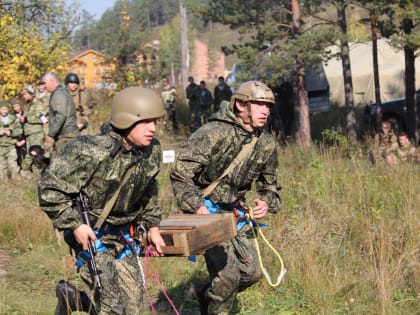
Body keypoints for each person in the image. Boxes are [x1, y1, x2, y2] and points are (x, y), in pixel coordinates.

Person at [38, 86, 167, 314]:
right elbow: (49, 189)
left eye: (155, 121)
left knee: (133, 309)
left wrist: (153, 226)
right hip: (91, 235)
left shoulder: (151, 151)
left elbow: (150, 191)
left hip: (124, 236)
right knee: (113, 307)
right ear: (126, 121)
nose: (152, 129)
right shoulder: (89, 150)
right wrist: (75, 225)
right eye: (145, 122)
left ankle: (76, 301)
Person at [170, 81, 281, 315]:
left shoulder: (266, 143)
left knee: (252, 273)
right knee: (228, 275)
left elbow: (271, 188)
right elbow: (180, 174)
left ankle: (207, 294)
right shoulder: (213, 133)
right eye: (259, 104)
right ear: (241, 105)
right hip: (206, 212)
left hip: (236, 213)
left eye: (268, 106)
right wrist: (198, 207)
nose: (265, 111)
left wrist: (266, 203)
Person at [42, 72, 79, 157]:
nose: (44, 86)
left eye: (45, 83)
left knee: (61, 166)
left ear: (51, 81)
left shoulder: (58, 94)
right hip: (65, 135)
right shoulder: (60, 92)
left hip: (66, 137)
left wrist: (51, 134)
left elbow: (61, 115)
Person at [19, 85, 48, 174]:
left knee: (34, 154)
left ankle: (23, 171)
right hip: (29, 135)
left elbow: (43, 119)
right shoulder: (27, 105)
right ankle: (38, 175)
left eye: (25, 94)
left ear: (31, 94)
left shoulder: (38, 104)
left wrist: (26, 119)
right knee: (33, 156)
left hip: (36, 134)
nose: (24, 96)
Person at [0, 100, 25, 180]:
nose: (4, 111)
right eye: (2, 109)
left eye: (6, 109)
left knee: (13, 162)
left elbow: (19, 130)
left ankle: (16, 179)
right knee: (1, 164)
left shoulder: (13, 118)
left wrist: (11, 132)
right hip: (0, 145)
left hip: (11, 144)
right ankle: (4, 181)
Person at [10, 98, 27, 167]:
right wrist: (16, 141)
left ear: (20, 105)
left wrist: (24, 140)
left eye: (17, 106)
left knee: (26, 154)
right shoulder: (11, 116)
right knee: (17, 155)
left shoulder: (25, 114)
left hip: (25, 137)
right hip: (16, 138)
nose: (16, 108)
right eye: (14, 107)